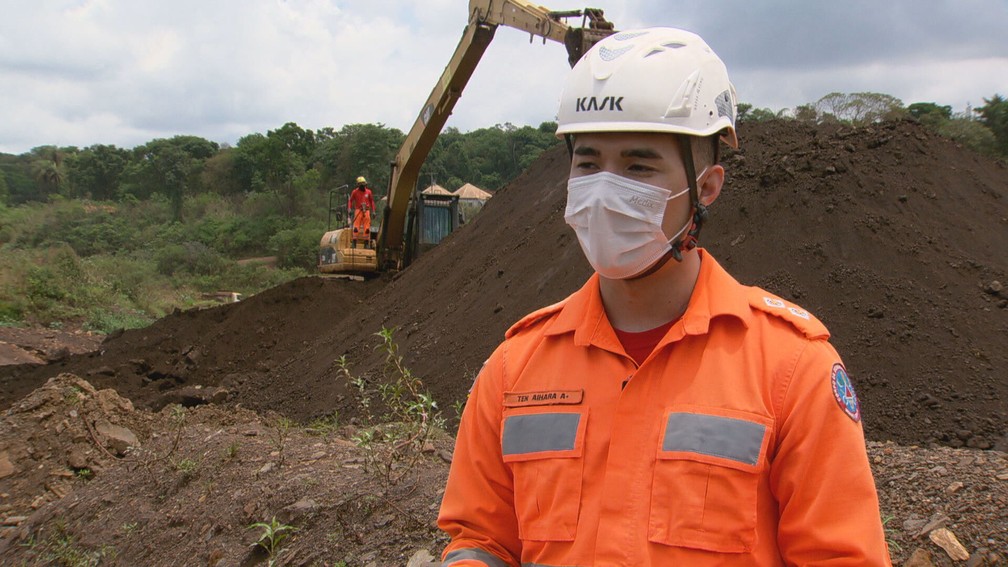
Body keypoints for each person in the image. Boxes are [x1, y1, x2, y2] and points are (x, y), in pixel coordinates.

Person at [437, 27, 892, 566]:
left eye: (638, 166)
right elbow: (482, 537)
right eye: (587, 164)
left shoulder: (792, 369)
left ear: (706, 187)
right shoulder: (516, 368)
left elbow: (841, 556)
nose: (605, 190)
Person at [348, 176, 376, 247]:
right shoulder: (355, 192)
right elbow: (350, 201)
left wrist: (373, 211)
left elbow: (372, 201)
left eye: (364, 185)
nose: (364, 187)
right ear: (359, 185)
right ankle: (354, 242)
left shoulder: (369, 192)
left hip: (366, 211)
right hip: (358, 210)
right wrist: (349, 209)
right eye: (362, 185)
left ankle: (366, 243)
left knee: (367, 228)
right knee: (356, 227)